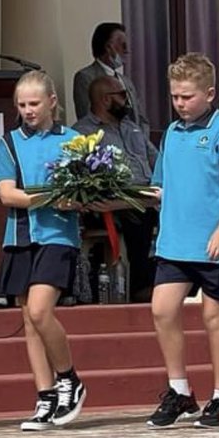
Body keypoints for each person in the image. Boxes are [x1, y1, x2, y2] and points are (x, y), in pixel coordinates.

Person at [146, 54, 219, 430]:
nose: (180, 103)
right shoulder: (172, 134)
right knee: (162, 308)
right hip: (176, 241)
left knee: (214, 315)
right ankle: (179, 391)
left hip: (216, 243)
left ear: (210, 93)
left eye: (187, 96)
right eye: (175, 96)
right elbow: (160, 186)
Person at [0, 70, 86, 432]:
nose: (28, 110)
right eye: (22, 105)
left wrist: (72, 201)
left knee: (43, 311)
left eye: (34, 103)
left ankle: (69, 379)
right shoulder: (10, 142)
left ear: (52, 102)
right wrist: (49, 197)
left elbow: (83, 195)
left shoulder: (74, 141)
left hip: (58, 236)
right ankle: (45, 396)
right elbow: (6, 194)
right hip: (20, 235)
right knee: (28, 318)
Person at [74, 72, 158, 300]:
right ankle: (142, 288)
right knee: (141, 218)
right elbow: (80, 176)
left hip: (149, 195)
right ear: (105, 99)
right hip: (111, 202)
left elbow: (157, 160)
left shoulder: (133, 127)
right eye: (122, 95)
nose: (127, 100)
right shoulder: (83, 132)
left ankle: (177, 283)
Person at [72, 22, 149, 137]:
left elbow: (141, 118)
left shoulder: (126, 81)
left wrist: (141, 141)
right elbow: (87, 118)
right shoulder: (85, 77)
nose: (127, 51)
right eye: (123, 45)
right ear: (108, 47)